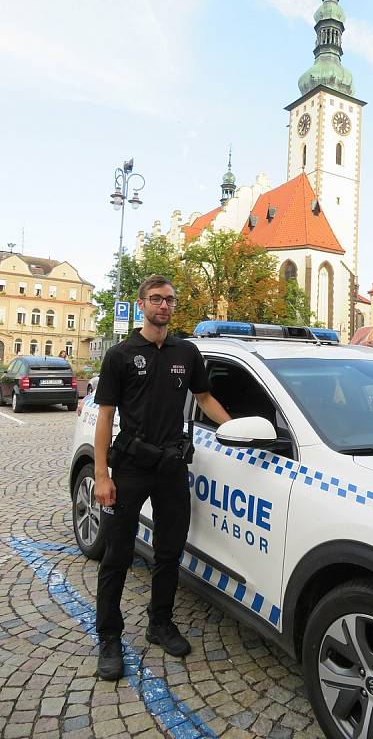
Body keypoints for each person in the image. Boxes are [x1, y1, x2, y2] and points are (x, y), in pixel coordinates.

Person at [93, 274, 230, 681]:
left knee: (169, 553)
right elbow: (105, 416)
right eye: (156, 299)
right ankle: (110, 637)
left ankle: (159, 623)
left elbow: (205, 398)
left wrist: (239, 428)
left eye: (170, 299)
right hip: (131, 468)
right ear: (141, 304)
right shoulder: (120, 354)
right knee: (117, 555)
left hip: (171, 468)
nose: (164, 305)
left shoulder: (186, 352)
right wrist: (102, 475)